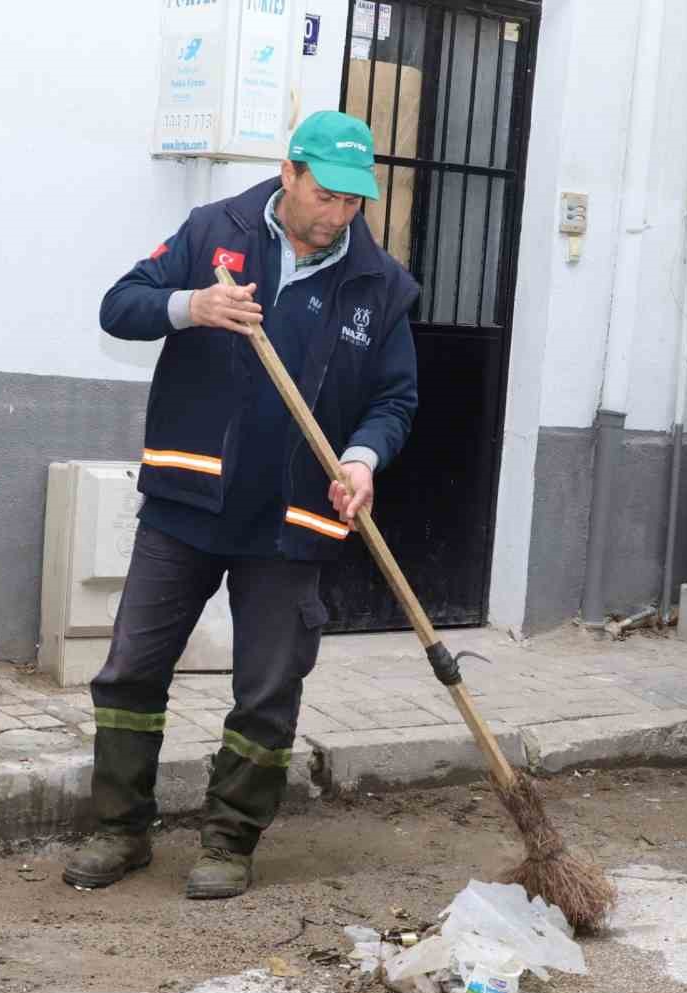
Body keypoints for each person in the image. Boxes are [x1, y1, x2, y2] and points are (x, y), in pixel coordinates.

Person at [63, 111, 420, 899]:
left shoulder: (380, 284)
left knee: (267, 689)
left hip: (293, 522)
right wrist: (192, 307)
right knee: (130, 671)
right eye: (325, 195)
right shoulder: (211, 231)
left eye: (354, 203)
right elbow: (119, 306)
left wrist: (361, 460)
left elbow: (393, 400)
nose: (337, 216)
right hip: (186, 503)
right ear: (290, 173)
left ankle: (229, 839)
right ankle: (120, 831)